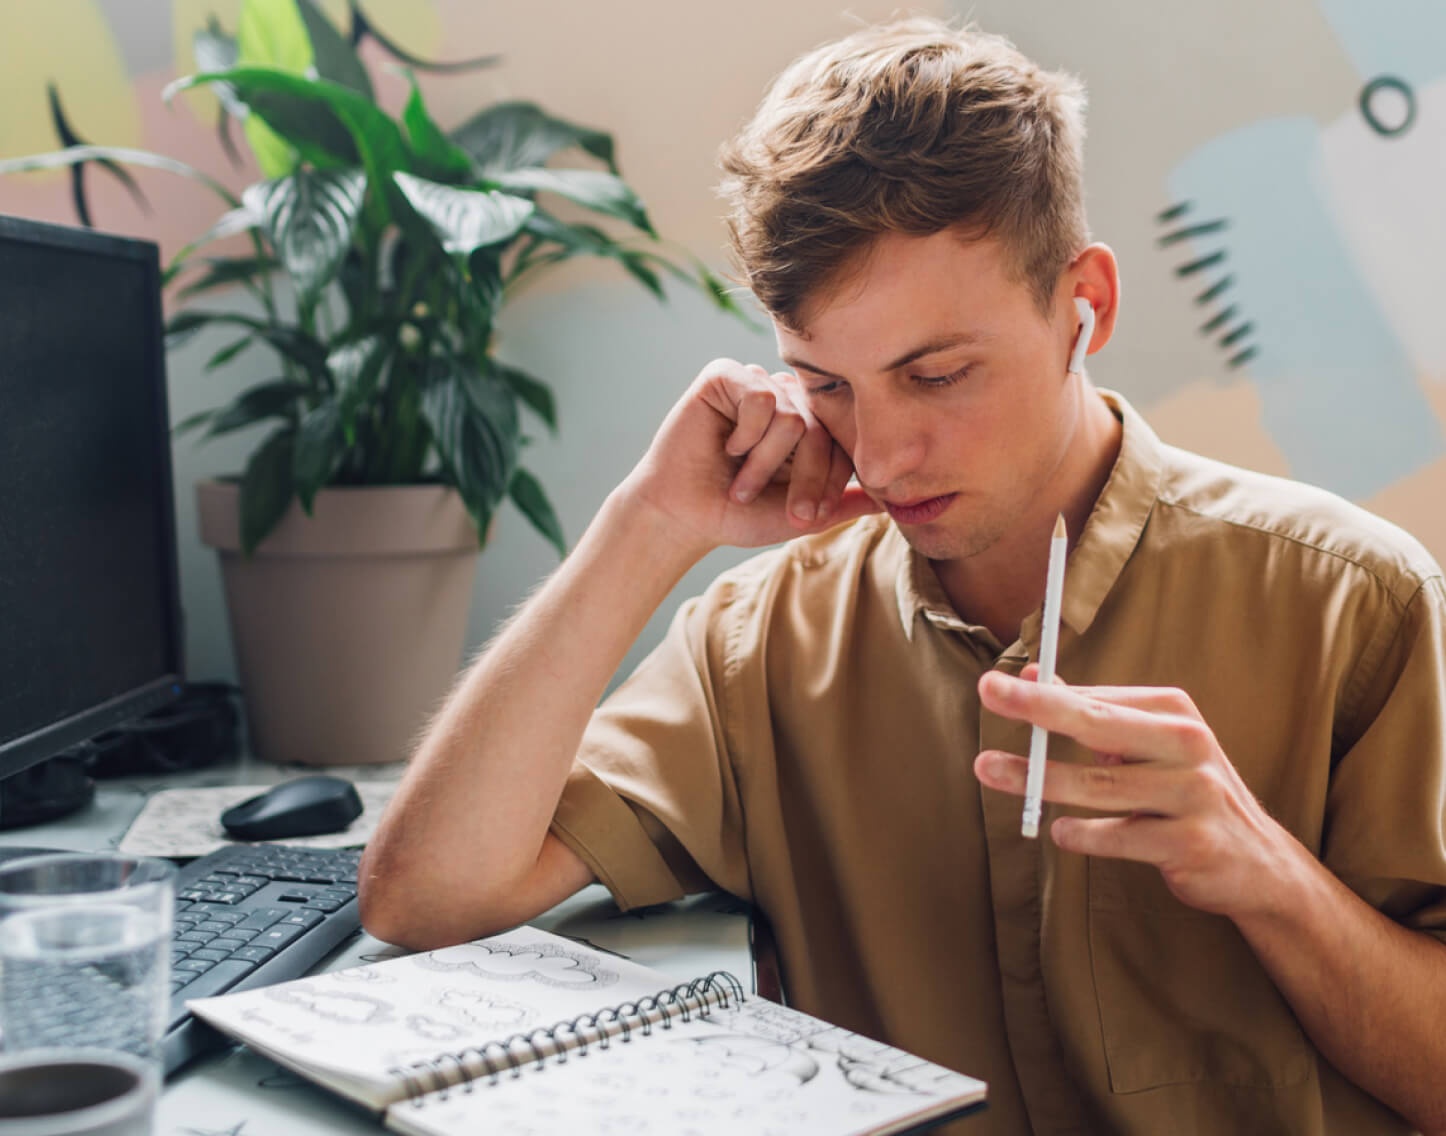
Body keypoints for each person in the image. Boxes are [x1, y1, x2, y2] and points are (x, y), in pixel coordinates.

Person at [359, 17, 1446, 1135]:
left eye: (936, 375)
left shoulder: (1355, 602)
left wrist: (1273, 879)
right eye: (824, 383)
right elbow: (425, 894)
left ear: (1089, 306)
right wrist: (648, 522)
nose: (879, 459)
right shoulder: (763, 639)